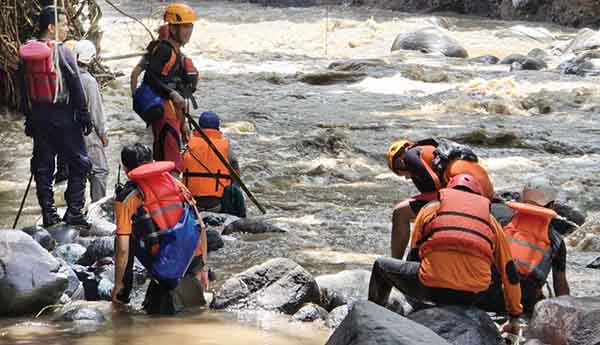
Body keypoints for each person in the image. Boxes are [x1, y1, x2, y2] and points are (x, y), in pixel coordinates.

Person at [368, 174, 522, 334]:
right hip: (473, 296)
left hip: (431, 289)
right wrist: (514, 317)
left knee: (381, 266)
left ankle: (372, 318)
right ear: (478, 196)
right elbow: (509, 271)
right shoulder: (491, 221)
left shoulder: (430, 208)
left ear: (447, 191)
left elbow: (415, 254)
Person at [112, 143, 209, 315]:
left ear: (126, 169)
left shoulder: (127, 197)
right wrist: (203, 268)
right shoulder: (176, 184)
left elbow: (123, 249)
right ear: (153, 161)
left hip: (167, 265)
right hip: (193, 261)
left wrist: (118, 282)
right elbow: (200, 225)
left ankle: (122, 296)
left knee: (122, 237)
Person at [19, 6, 92, 227]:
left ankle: (49, 215)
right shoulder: (62, 51)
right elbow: (75, 85)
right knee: (80, 163)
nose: (67, 27)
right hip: (63, 114)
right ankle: (74, 212)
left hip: (39, 116)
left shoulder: (27, 53)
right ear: (51, 28)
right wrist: (84, 114)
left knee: (43, 166)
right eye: (63, 24)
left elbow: (22, 87)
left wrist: (29, 117)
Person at [386, 139, 494, 259]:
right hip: (486, 192)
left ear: (399, 160)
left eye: (399, 172)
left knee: (400, 212)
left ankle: (396, 262)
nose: (406, 177)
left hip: (464, 192)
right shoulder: (431, 151)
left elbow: (435, 186)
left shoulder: (410, 156)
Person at [485, 177, 570, 313]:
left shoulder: (503, 223)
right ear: (551, 205)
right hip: (524, 302)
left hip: (488, 295)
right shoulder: (556, 240)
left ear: (523, 198)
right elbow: (560, 285)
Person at [135, 3, 199, 171]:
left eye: (190, 26)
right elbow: (150, 77)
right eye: (184, 27)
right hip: (164, 111)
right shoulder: (165, 50)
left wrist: (183, 123)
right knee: (171, 160)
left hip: (171, 111)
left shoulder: (176, 53)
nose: (188, 31)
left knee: (166, 154)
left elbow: (176, 88)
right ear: (172, 28)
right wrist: (171, 94)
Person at [181, 112, 246, 217]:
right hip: (217, 204)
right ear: (217, 128)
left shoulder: (188, 144)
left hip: (193, 203)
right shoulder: (225, 145)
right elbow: (235, 166)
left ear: (199, 127)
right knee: (234, 190)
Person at [72, 40, 109, 202]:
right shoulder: (89, 81)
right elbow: (95, 111)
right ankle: (98, 208)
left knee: (77, 172)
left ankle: (75, 209)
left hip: (69, 131)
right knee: (100, 171)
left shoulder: (67, 77)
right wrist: (103, 133)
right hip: (88, 133)